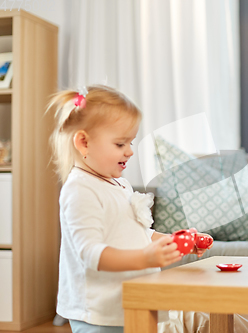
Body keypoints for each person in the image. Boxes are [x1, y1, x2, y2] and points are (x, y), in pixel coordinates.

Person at [48, 85, 210, 333]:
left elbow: (139, 234)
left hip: (133, 303)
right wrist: (145, 258)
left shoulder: (120, 184)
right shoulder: (80, 189)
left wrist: (177, 242)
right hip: (100, 312)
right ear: (83, 142)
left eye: (131, 142)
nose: (130, 151)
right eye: (120, 143)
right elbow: (90, 253)